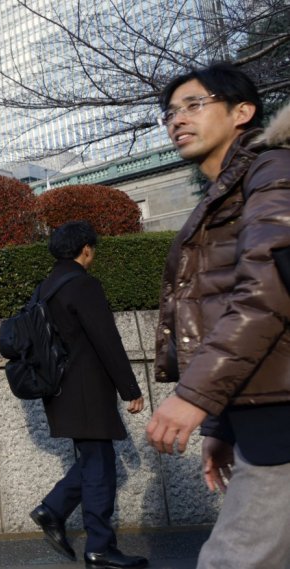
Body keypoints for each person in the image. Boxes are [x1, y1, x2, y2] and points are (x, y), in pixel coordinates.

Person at [146, 62, 290, 568]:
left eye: (194, 105)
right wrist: (222, 427)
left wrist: (194, 399)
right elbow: (223, 304)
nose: (177, 120)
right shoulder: (226, 192)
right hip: (264, 412)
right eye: (170, 112)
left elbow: (266, 291)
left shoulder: (273, 171)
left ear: (242, 112)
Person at [28, 221, 147, 569]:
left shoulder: (44, 288)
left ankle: (53, 511)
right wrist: (131, 388)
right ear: (86, 250)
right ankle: (98, 547)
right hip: (87, 389)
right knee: (98, 466)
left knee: (98, 463)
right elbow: (106, 339)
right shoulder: (82, 284)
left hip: (59, 389)